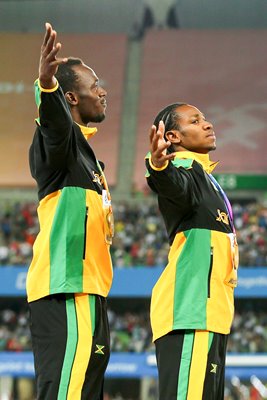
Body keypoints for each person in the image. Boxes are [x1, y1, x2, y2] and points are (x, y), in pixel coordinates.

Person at [27, 22, 114, 400]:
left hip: (91, 290)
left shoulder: (87, 154)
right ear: (72, 98)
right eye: (94, 86)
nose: (102, 91)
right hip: (67, 288)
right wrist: (46, 87)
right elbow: (53, 123)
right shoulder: (60, 144)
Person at [145, 102, 239, 400]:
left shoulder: (205, 177)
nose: (208, 124)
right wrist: (158, 165)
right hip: (190, 313)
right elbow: (172, 184)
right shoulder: (184, 169)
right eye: (196, 121)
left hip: (210, 315)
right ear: (172, 136)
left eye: (205, 118)